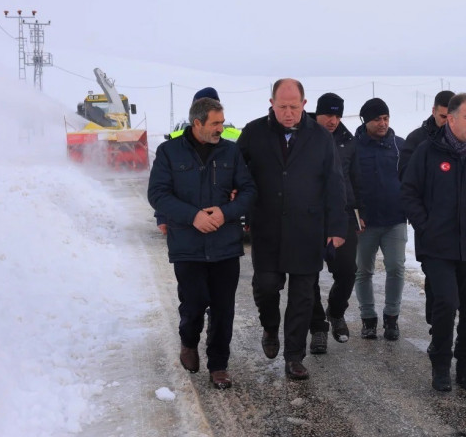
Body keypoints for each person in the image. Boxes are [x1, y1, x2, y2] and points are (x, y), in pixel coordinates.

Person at [237, 78, 346, 380]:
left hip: (307, 229)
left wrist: (336, 226)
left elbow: (335, 183)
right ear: (271, 104)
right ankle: (270, 326)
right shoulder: (253, 132)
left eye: (294, 107)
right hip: (268, 227)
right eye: (282, 106)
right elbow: (236, 171)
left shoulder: (320, 137)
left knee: (302, 297)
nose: (288, 112)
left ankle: (294, 357)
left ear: (304, 105)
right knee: (267, 286)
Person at [148, 97, 256, 389]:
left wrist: (226, 212)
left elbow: (248, 191)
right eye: (216, 123)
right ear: (197, 123)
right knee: (193, 304)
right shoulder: (169, 152)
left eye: (222, 122)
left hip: (225, 246)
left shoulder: (231, 152)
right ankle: (189, 342)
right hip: (188, 246)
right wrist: (192, 216)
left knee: (224, 309)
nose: (221, 128)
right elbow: (157, 194)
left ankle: (219, 365)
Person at [401, 93, 466, 392]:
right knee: (446, 303)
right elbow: (409, 192)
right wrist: (425, 227)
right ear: (451, 118)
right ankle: (440, 366)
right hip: (437, 247)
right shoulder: (427, 152)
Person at [308, 93, 363, 353]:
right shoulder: (302, 135)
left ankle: (336, 311)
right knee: (307, 277)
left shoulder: (348, 141)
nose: (333, 120)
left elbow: (355, 178)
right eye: (328, 115)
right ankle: (318, 327)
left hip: (341, 215)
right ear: (317, 113)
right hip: (307, 216)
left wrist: (359, 210)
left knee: (347, 271)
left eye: (338, 115)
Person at [353, 98, 407, 341]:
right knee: (363, 271)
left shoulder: (400, 146)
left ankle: (391, 318)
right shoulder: (354, 148)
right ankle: (368, 319)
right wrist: (354, 214)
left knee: (396, 267)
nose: (383, 123)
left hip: (395, 219)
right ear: (366, 121)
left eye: (386, 118)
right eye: (377, 119)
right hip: (364, 223)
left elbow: (410, 180)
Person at [157, 87, 240, 235]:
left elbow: (246, 179)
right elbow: (163, 187)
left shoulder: (234, 140)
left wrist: (237, 192)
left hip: (224, 229)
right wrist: (162, 216)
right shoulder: (175, 143)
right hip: (186, 229)